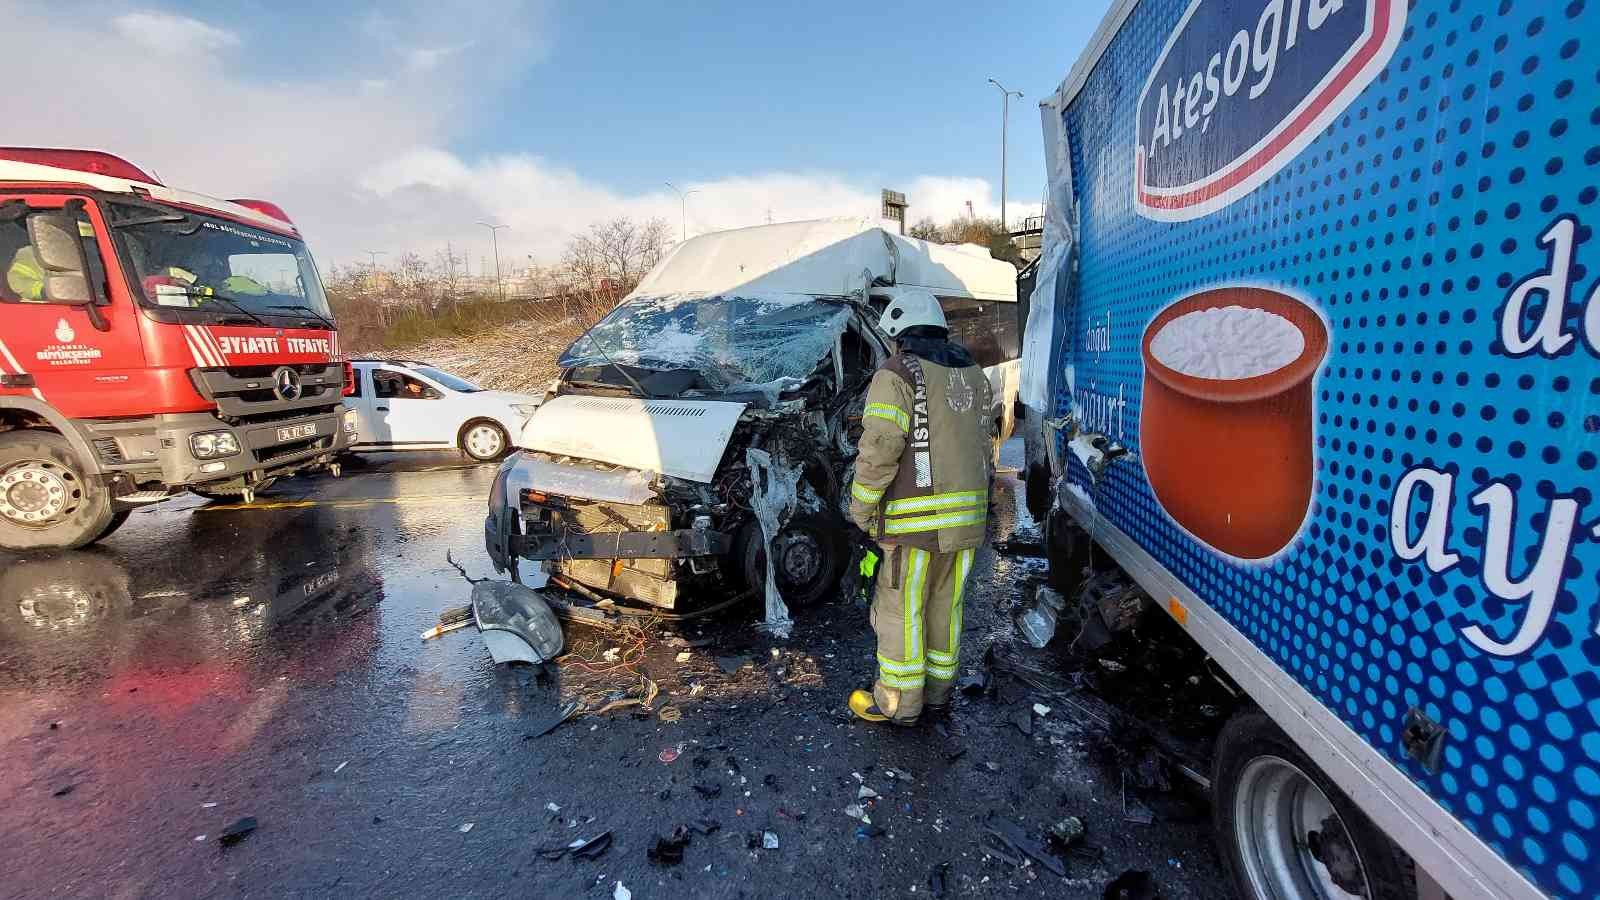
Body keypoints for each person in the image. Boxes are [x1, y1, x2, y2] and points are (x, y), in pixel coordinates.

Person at [846, 289, 994, 725]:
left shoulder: (897, 374)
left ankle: (897, 704)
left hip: (914, 525)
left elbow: (879, 449)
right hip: (966, 523)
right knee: (944, 610)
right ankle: (936, 695)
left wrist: (861, 508)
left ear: (900, 334)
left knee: (901, 613)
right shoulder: (974, 374)